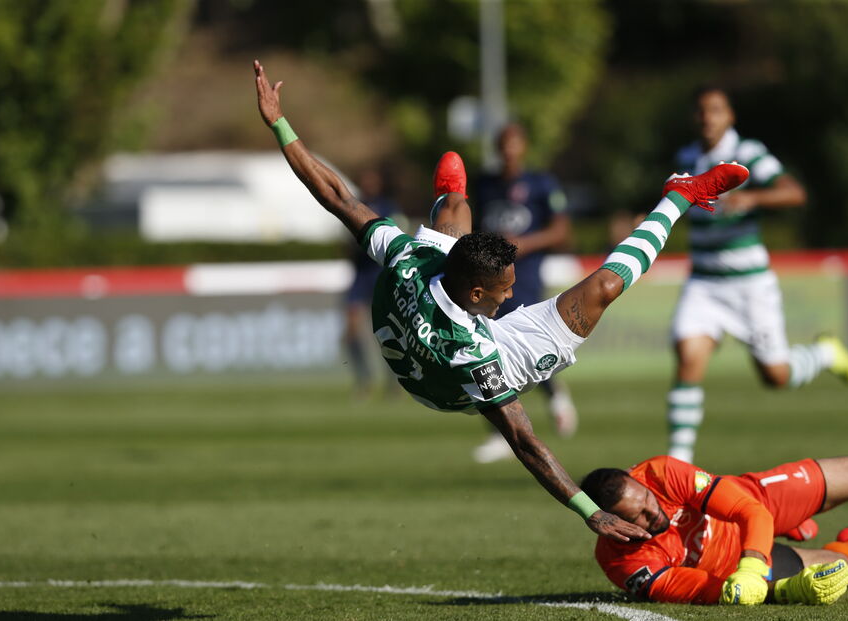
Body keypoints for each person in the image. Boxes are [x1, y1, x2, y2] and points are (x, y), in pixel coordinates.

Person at [254, 59, 749, 543]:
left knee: (452, 215)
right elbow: (524, 441)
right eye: (503, 290)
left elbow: (337, 197)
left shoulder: (412, 255)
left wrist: (279, 124)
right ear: (475, 294)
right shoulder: (474, 355)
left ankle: (451, 196)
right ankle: (680, 196)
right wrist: (586, 510)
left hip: (435, 302)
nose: (511, 296)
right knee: (606, 288)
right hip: (443, 382)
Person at [665, 85, 848, 463]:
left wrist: (753, 197)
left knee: (776, 376)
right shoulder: (687, 155)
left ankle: (824, 353)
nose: (708, 118)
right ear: (695, 117)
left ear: (730, 116)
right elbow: (684, 203)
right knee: (688, 356)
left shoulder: (747, 153)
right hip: (703, 281)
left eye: (716, 110)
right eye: (702, 111)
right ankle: (678, 464)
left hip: (749, 284)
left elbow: (794, 193)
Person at [581, 455, 848, 605]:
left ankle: (787, 524)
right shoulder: (626, 564)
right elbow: (717, 591)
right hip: (732, 566)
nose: (654, 511)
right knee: (846, 568)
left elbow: (750, 511)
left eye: (648, 499)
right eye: (638, 515)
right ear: (612, 526)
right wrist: (787, 590)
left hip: (758, 502)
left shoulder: (659, 473)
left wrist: (753, 565)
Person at [471, 123, 578, 464]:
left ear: (524, 147)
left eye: (514, 144)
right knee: (486, 352)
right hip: (488, 283)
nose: (508, 151)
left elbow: (561, 229)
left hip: (525, 278)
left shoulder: (541, 184)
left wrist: (523, 244)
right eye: (503, 145)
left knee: (531, 346)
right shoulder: (484, 185)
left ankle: (556, 395)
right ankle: (500, 432)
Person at [343, 167, 402, 396]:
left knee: (392, 331)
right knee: (352, 329)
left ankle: (395, 379)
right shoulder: (353, 207)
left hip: (381, 273)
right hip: (361, 275)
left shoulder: (388, 208)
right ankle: (364, 378)